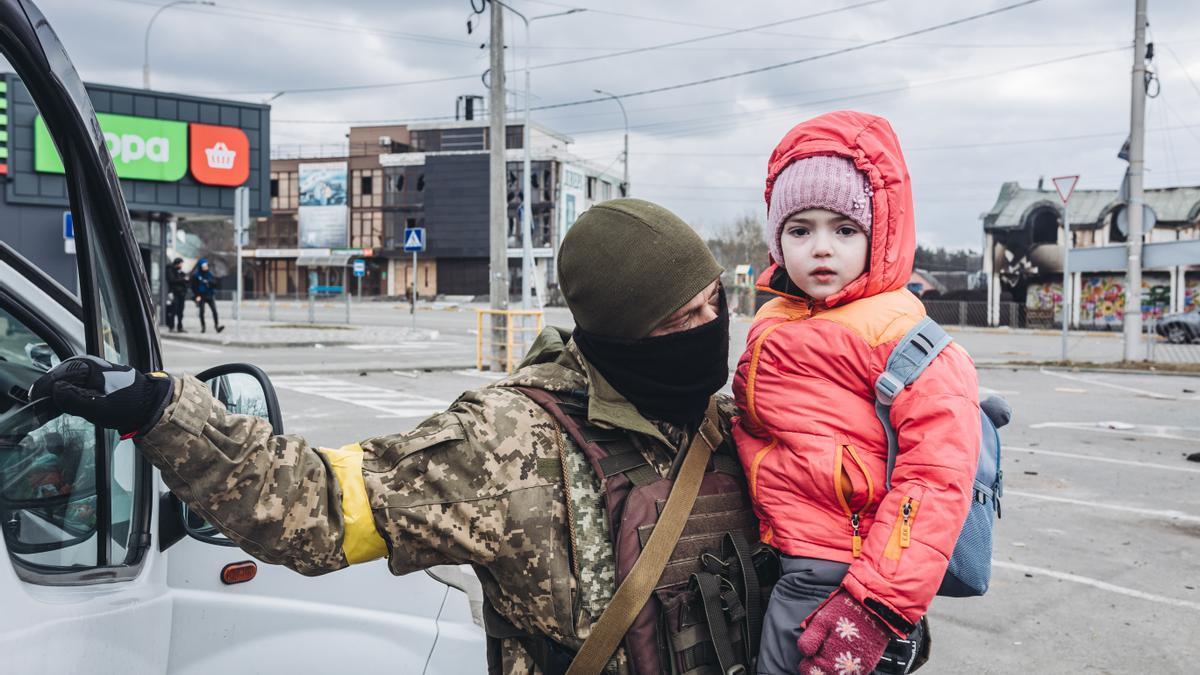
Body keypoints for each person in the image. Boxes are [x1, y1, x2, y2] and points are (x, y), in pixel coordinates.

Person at [30, 199, 758, 674]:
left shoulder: (721, 420)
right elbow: (314, 505)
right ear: (619, 332)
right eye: (677, 319)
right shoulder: (510, 446)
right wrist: (162, 409)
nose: (706, 330)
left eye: (713, 304)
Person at [732, 111, 981, 675]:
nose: (822, 249)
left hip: (838, 569)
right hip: (777, 547)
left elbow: (935, 481)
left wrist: (876, 607)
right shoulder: (777, 317)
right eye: (800, 230)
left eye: (845, 230)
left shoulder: (904, 337)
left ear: (883, 233)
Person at [191, 257, 224, 333]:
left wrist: (209, 282)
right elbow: (194, 287)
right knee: (202, 311)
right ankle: (203, 327)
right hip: (201, 295)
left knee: (214, 311)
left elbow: (215, 283)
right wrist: (197, 295)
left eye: (206, 266)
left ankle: (217, 326)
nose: (205, 268)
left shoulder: (209, 274)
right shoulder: (196, 276)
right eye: (204, 266)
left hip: (209, 295)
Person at [165, 257, 188, 333]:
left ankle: (180, 327)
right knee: (173, 310)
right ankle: (171, 327)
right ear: (177, 263)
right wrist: (183, 280)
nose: (182, 265)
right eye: (181, 263)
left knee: (180, 311)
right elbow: (172, 280)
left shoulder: (180, 272)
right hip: (174, 293)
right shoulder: (170, 270)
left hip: (181, 294)